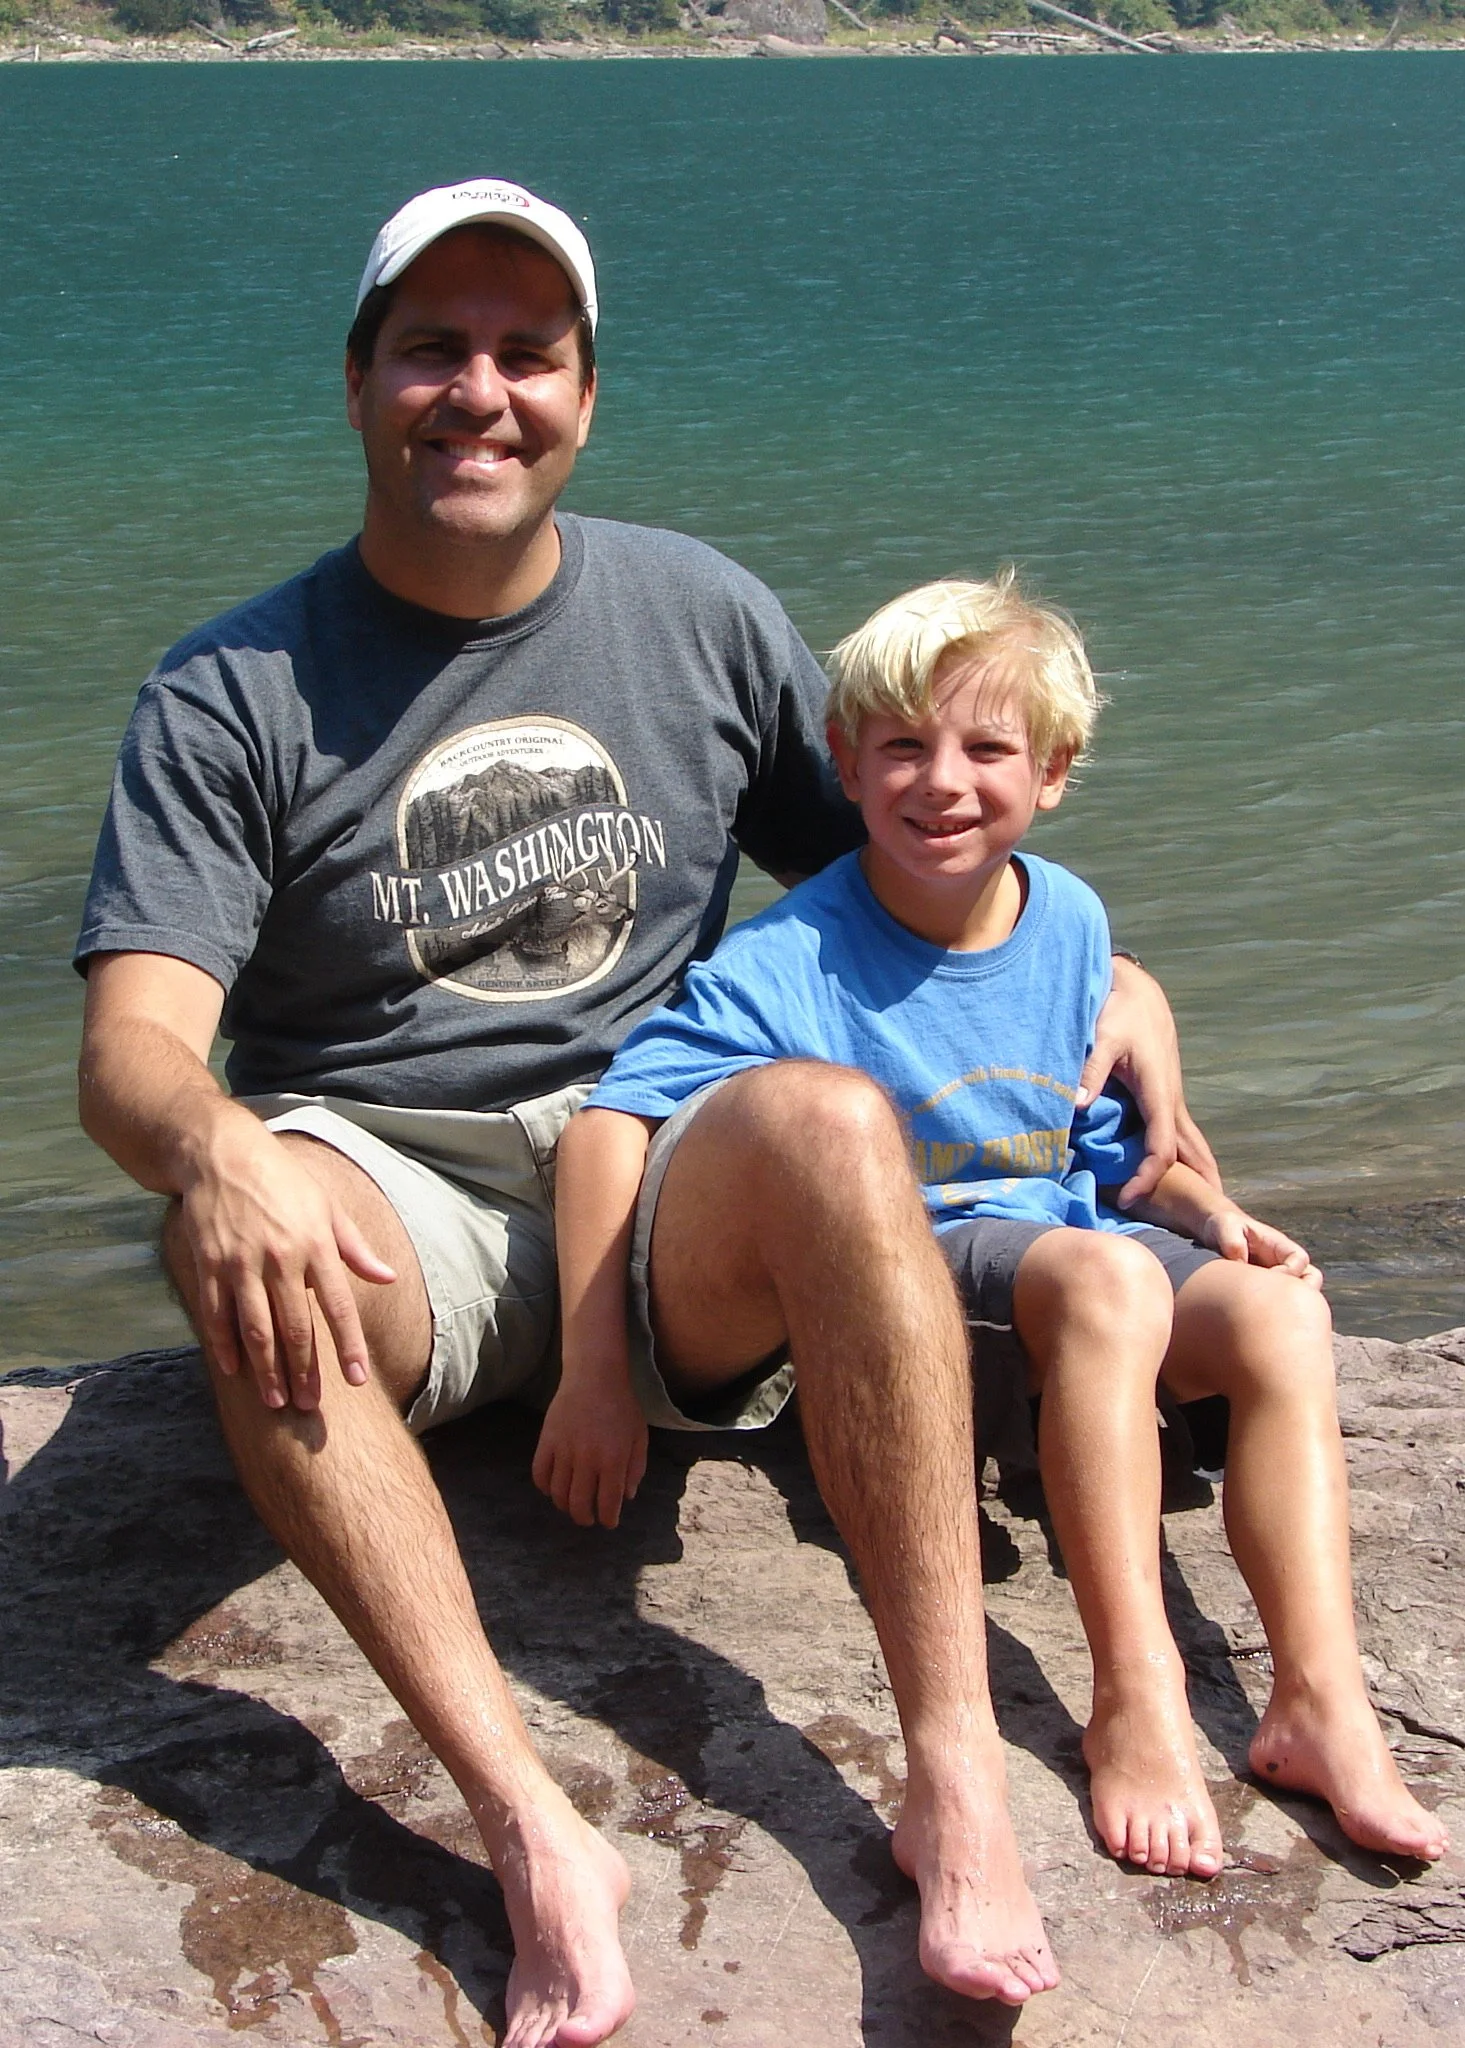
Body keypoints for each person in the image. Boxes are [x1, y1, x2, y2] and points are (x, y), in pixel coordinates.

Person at [75, 179, 1214, 2046]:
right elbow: (134, 1048)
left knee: (831, 1117)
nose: (480, 392)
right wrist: (215, 1150)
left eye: (527, 354)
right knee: (239, 1232)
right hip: (403, 1196)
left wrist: (1124, 987)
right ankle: (534, 1831)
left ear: (585, 399)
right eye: (432, 349)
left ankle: (950, 1775)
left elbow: (928, 875)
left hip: (662, 1173)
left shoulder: (697, 613)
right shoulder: (231, 692)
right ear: (357, 384)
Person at [553, 570, 1447, 1889]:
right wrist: (593, 1371)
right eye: (902, 747)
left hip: (1061, 1256)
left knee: (1281, 1314)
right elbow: (610, 1119)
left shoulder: (1071, 921)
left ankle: (1321, 1703)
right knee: (1106, 1284)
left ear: (1054, 772)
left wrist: (1209, 1209)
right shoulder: (794, 957)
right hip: (920, 1302)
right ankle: (1136, 1693)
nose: (943, 782)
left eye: (987, 749)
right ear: (844, 763)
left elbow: (1093, 1144)